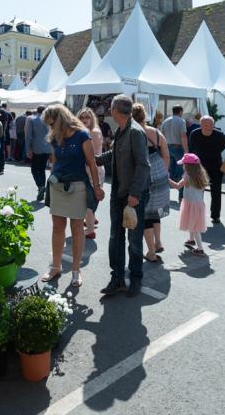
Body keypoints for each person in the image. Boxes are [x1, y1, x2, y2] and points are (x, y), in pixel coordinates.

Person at [41, 104, 104, 288]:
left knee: (77, 228)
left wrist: (97, 187)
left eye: (52, 124)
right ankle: (56, 267)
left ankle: (76, 271)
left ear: (61, 119)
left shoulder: (82, 135)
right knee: (57, 228)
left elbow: (92, 164)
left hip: (77, 186)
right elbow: (55, 163)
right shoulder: (54, 137)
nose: (51, 128)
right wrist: (51, 182)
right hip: (58, 186)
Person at [96, 95, 150, 297]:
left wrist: (135, 194)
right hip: (119, 193)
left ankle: (136, 278)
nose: (109, 111)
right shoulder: (122, 130)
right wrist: (96, 160)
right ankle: (117, 278)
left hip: (133, 194)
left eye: (111, 108)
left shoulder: (135, 132)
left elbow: (144, 166)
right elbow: (114, 154)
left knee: (134, 240)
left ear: (115, 111)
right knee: (115, 237)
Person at [132, 103, 170, 262]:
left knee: (145, 215)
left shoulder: (134, 133)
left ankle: (151, 252)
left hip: (144, 175)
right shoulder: (156, 131)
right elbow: (166, 155)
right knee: (156, 210)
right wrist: (164, 173)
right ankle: (158, 241)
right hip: (159, 172)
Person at [189, 115, 225, 223]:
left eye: (210, 124)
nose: (208, 126)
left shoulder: (219, 135)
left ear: (213, 125)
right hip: (198, 167)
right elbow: (191, 149)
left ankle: (215, 216)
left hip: (216, 167)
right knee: (197, 192)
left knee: (216, 192)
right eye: (205, 124)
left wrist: (213, 152)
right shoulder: (195, 134)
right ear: (200, 124)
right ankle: (197, 214)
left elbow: (224, 145)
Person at [172, 153, 209, 255]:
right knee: (192, 222)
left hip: (191, 203)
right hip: (198, 204)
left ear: (188, 166)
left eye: (184, 164)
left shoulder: (187, 176)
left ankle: (200, 248)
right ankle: (191, 239)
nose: (183, 166)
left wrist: (166, 178)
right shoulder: (201, 175)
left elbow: (177, 186)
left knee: (195, 227)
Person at [78, 108, 105, 239]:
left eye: (87, 117)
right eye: (82, 117)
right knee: (91, 198)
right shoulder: (91, 131)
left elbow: (91, 156)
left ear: (92, 118)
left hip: (92, 169)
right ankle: (91, 220)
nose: (84, 120)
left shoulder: (92, 132)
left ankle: (89, 230)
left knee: (88, 200)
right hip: (94, 168)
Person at [160, 105, 188, 201]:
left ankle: (164, 194)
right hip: (177, 147)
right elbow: (183, 136)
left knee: (168, 171)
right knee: (182, 171)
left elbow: (161, 136)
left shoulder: (165, 121)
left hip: (167, 147)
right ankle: (181, 195)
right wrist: (186, 150)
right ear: (180, 111)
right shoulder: (181, 121)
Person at [25, 105, 51, 201]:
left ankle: (40, 187)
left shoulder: (32, 119)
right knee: (42, 169)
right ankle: (41, 189)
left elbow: (28, 136)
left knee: (34, 169)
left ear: (37, 111)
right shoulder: (49, 121)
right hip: (47, 148)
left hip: (37, 148)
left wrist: (28, 149)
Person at [0, 98, 12, 175]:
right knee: (1, 152)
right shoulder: (5, 111)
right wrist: (4, 131)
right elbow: (7, 123)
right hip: (2, 133)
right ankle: (1, 168)